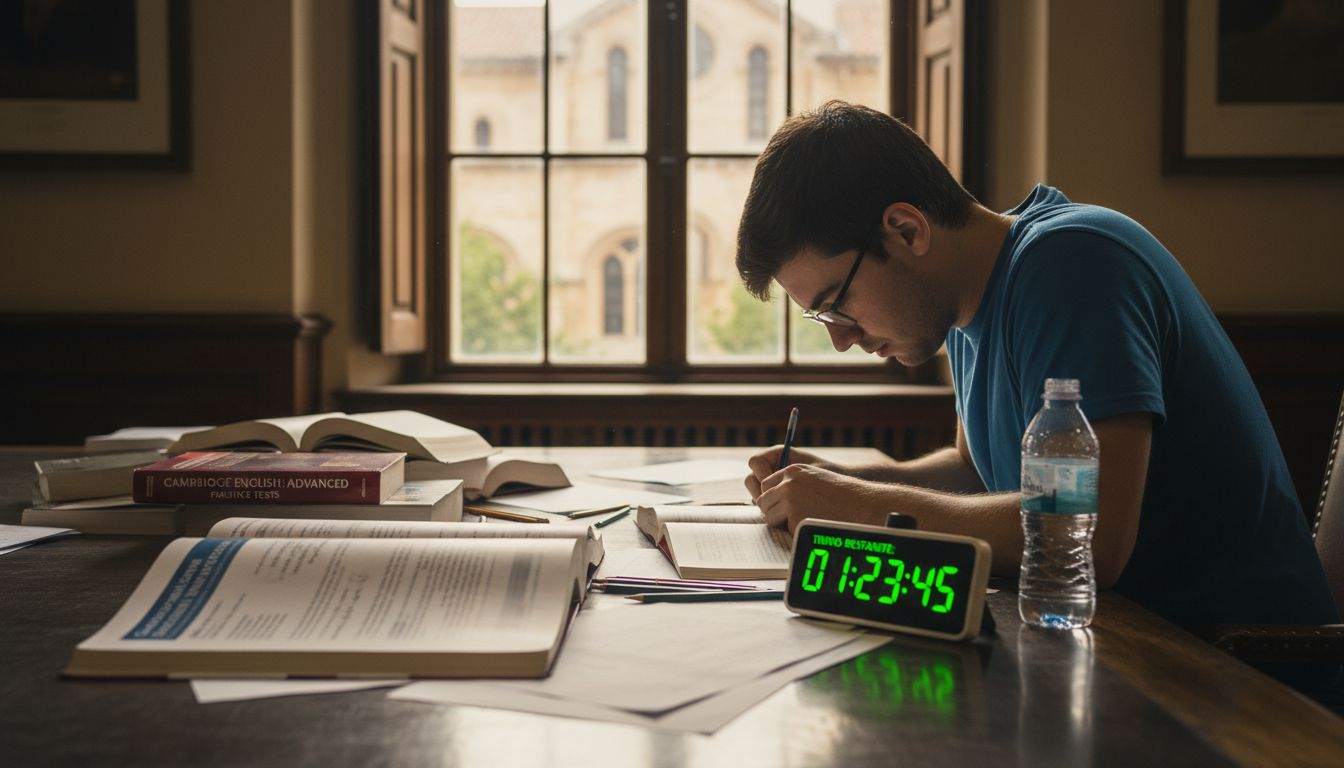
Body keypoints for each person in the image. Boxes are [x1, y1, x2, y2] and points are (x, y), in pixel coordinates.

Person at [736, 101, 1337, 634]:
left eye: (835, 303)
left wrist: (860, 509)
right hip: (1124, 651)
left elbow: (1085, 537)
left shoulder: (1074, 266)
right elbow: (980, 473)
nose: (841, 340)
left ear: (905, 229)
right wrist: (845, 484)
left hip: (1242, 686)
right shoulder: (963, 307)